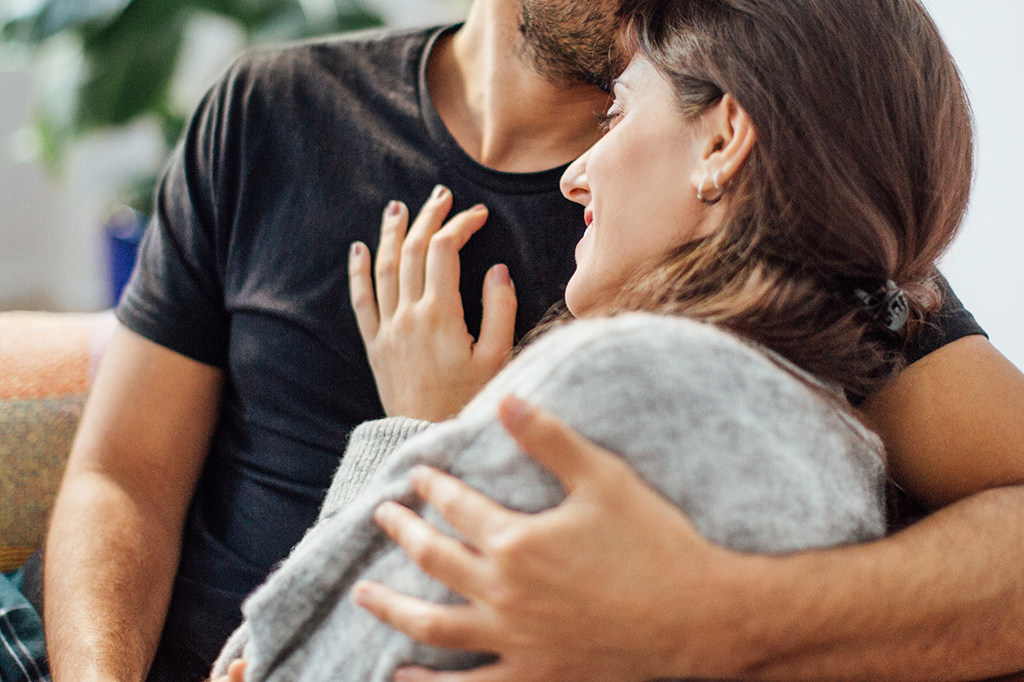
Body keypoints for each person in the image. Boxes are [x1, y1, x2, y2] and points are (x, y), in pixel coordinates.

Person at [37, 0, 1024, 681]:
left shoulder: (740, 223)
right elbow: (120, 474)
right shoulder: (269, 114)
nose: (579, 174)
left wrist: (720, 615)